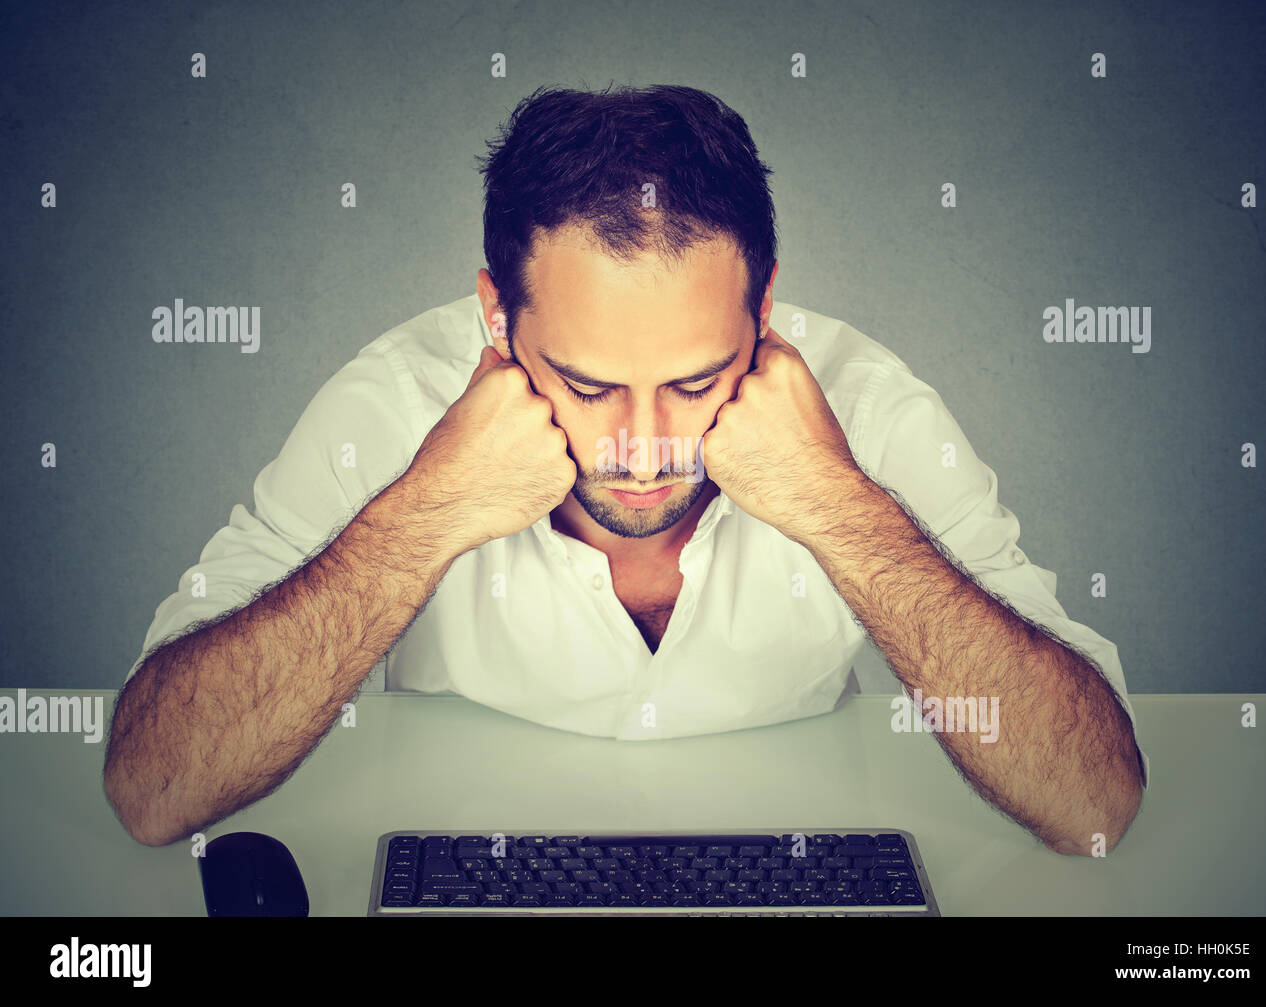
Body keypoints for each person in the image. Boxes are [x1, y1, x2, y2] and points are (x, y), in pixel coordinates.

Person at [104, 85, 1148, 854]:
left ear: (765, 311)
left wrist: (841, 508)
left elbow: (1093, 801)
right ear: (495, 319)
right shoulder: (392, 405)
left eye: (696, 381)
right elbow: (154, 786)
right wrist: (422, 516)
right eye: (588, 383)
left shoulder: (864, 409)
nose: (643, 445)